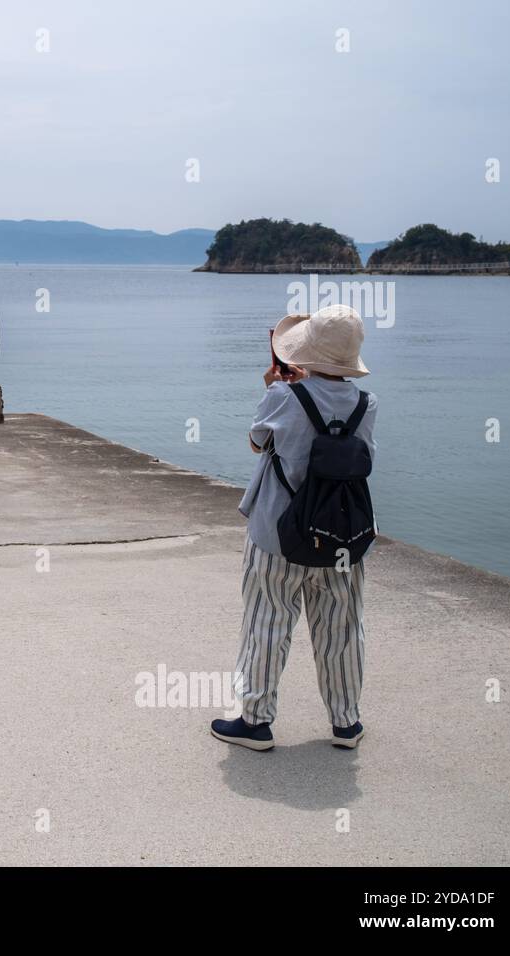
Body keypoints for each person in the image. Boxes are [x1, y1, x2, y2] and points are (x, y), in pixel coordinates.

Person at [210, 304, 378, 752]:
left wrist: (272, 388)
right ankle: (346, 723)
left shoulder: (285, 396)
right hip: (343, 536)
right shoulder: (366, 403)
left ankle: (256, 722)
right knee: (341, 629)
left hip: (278, 536)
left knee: (268, 622)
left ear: (306, 351)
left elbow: (257, 442)